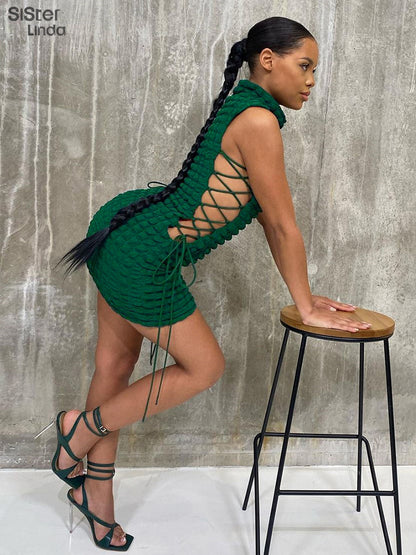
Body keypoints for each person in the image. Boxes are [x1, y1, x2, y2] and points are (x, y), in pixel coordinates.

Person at [48, 16, 372, 550]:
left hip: (125, 229)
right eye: (305, 66)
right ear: (267, 60)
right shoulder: (258, 121)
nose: (312, 81)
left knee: (114, 366)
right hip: (142, 253)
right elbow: (282, 224)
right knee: (204, 367)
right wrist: (306, 306)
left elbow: (268, 221)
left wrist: (305, 297)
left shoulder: (244, 106)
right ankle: (78, 428)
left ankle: (95, 495)